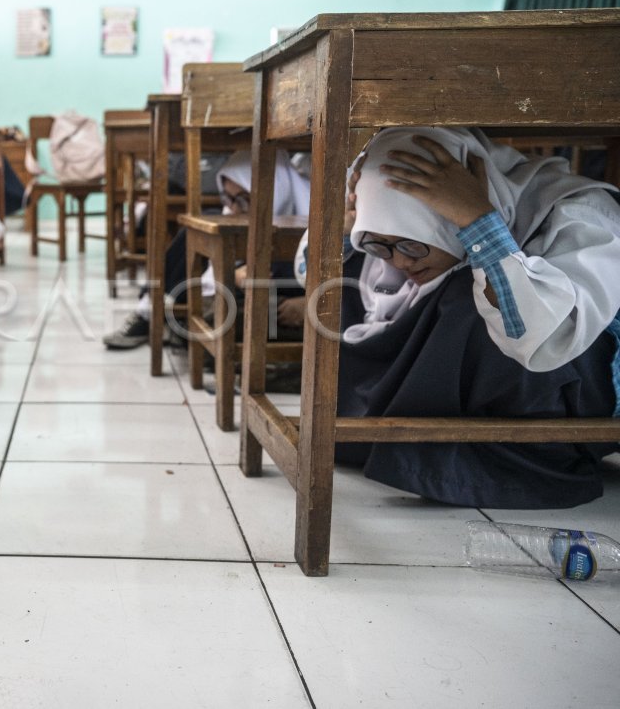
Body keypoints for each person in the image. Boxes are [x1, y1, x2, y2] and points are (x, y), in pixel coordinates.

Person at [333, 126, 620, 509]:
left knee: (477, 292)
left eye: (412, 245)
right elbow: (327, 280)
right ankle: (391, 436)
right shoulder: (400, 249)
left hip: (575, 384)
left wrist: (478, 221)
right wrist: (349, 229)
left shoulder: (581, 213)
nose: (399, 261)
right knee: (345, 286)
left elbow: (542, 338)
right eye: (380, 243)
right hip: (489, 377)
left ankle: (497, 462)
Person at [103, 149, 310, 349]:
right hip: (245, 297)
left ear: (274, 191)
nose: (233, 208)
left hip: (279, 303)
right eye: (228, 198)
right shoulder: (233, 214)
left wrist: (306, 304)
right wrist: (233, 274)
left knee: (229, 314)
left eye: (243, 199)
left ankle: (168, 320)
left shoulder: (307, 225)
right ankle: (154, 311)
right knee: (197, 230)